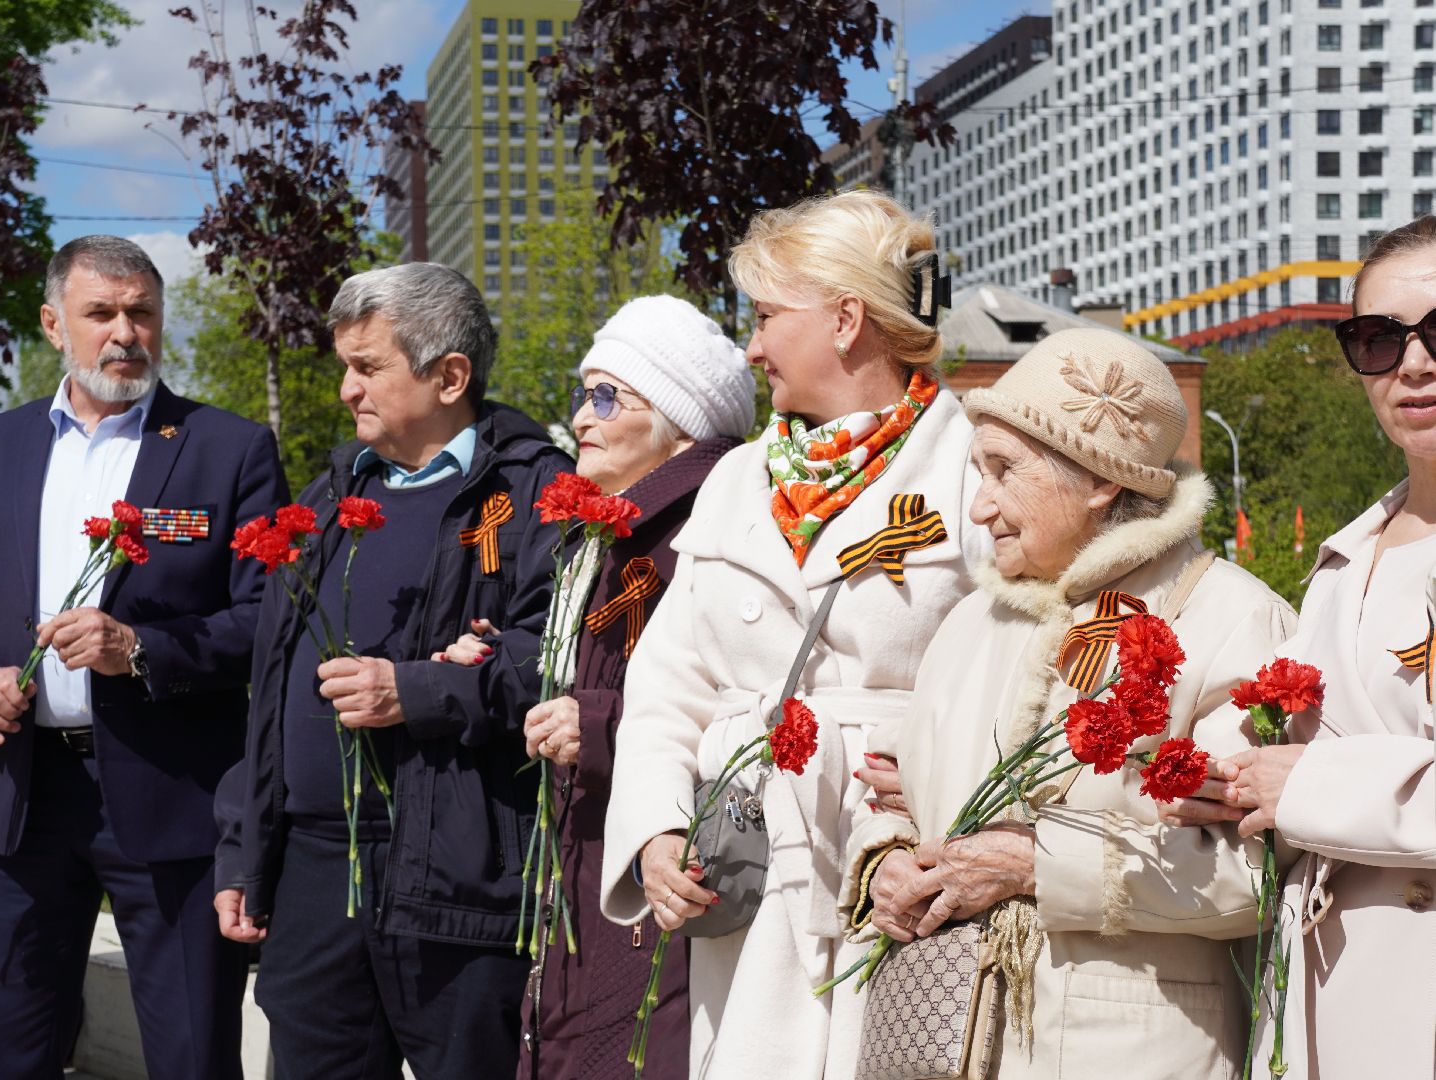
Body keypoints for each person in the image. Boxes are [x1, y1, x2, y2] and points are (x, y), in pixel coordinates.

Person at [598, 190, 989, 1080]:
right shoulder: (737, 479)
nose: (752, 347)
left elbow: (1021, 676)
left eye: (768, 317)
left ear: (846, 320)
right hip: (746, 872)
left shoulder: (974, 465)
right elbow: (666, 687)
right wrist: (658, 830)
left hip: (903, 869)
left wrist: (941, 795)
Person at [840, 327, 1296, 1078]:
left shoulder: (1233, 620)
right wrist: (885, 862)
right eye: (978, 472)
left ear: (1098, 481)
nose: (978, 508)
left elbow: (1255, 874)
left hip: (1129, 1052)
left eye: (1003, 471)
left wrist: (1036, 864)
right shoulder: (971, 622)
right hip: (947, 1042)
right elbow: (897, 793)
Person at [0, 236, 287, 1080]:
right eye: (102, 313)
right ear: (54, 325)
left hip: (171, 795)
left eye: (142, 312)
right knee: (8, 1053)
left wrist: (142, 650)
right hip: (23, 795)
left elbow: (270, 620)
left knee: (193, 1054)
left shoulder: (227, 448)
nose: (126, 332)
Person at [212, 262, 572, 1080]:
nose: (347, 389)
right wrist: (244, 845)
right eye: (346, 365)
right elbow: (270, 696)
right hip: (314, 876)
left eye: (367, 366)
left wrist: (412, 691)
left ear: (450, 376)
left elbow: (557, 658)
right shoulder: (330, 497)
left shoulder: (534, 493)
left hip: (456, 879)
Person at [436, 295, 756, 1078]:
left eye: (608, 396)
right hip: (590, 858)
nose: (583, 416)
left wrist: (603, 725)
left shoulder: (712, 533)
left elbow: (753, 702)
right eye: (583, 394)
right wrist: (510, 659)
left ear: (680, 421)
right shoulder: (614, 534)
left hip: (661, 874)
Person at [1166, 218, 1436, 1078]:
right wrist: (1226, 783)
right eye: (1379, 340)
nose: (1414, 364)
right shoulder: (1343, 558)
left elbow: (1318, 781)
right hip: (1326, 995)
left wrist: (1311, 787)